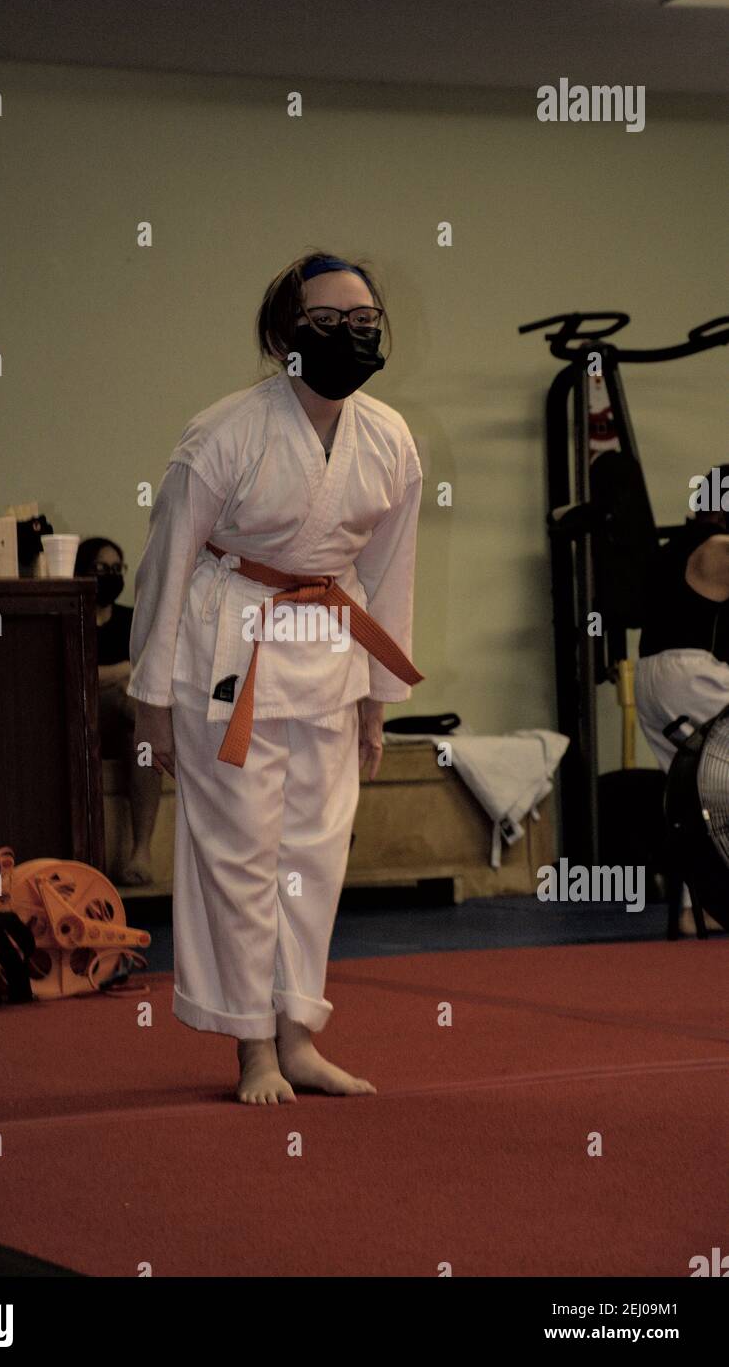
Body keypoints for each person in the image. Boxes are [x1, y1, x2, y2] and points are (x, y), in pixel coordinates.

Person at [127, 250, 423, 1104]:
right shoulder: (224, 432)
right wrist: (149, 705)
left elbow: (390, 574)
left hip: (328, 654)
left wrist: (378, 701)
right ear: (280, 335)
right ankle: (250, 1048)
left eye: (362, 323)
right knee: (239, 857)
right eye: (325, 323)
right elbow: (166, 566)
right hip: (228, 652)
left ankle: (297, 1036)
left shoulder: (389, 439)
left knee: (315, 856)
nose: (346, 336)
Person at [635, 464, 729, 931]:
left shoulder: (673, 550)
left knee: (699, 800)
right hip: (690, 676)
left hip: (653, 677)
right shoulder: (718, 549)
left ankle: (701, 910)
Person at [74, 536, 162, 886]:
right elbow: (77, 678)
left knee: (140, 741)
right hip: (83, 720)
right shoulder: (73, 618)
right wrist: (123, 670)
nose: (110, 575)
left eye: (116, 568)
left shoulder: (130, 619)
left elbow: (150, 669)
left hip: (124, 724)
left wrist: (111, 675)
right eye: (101, 568)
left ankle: (141, 851)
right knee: (130, 705)